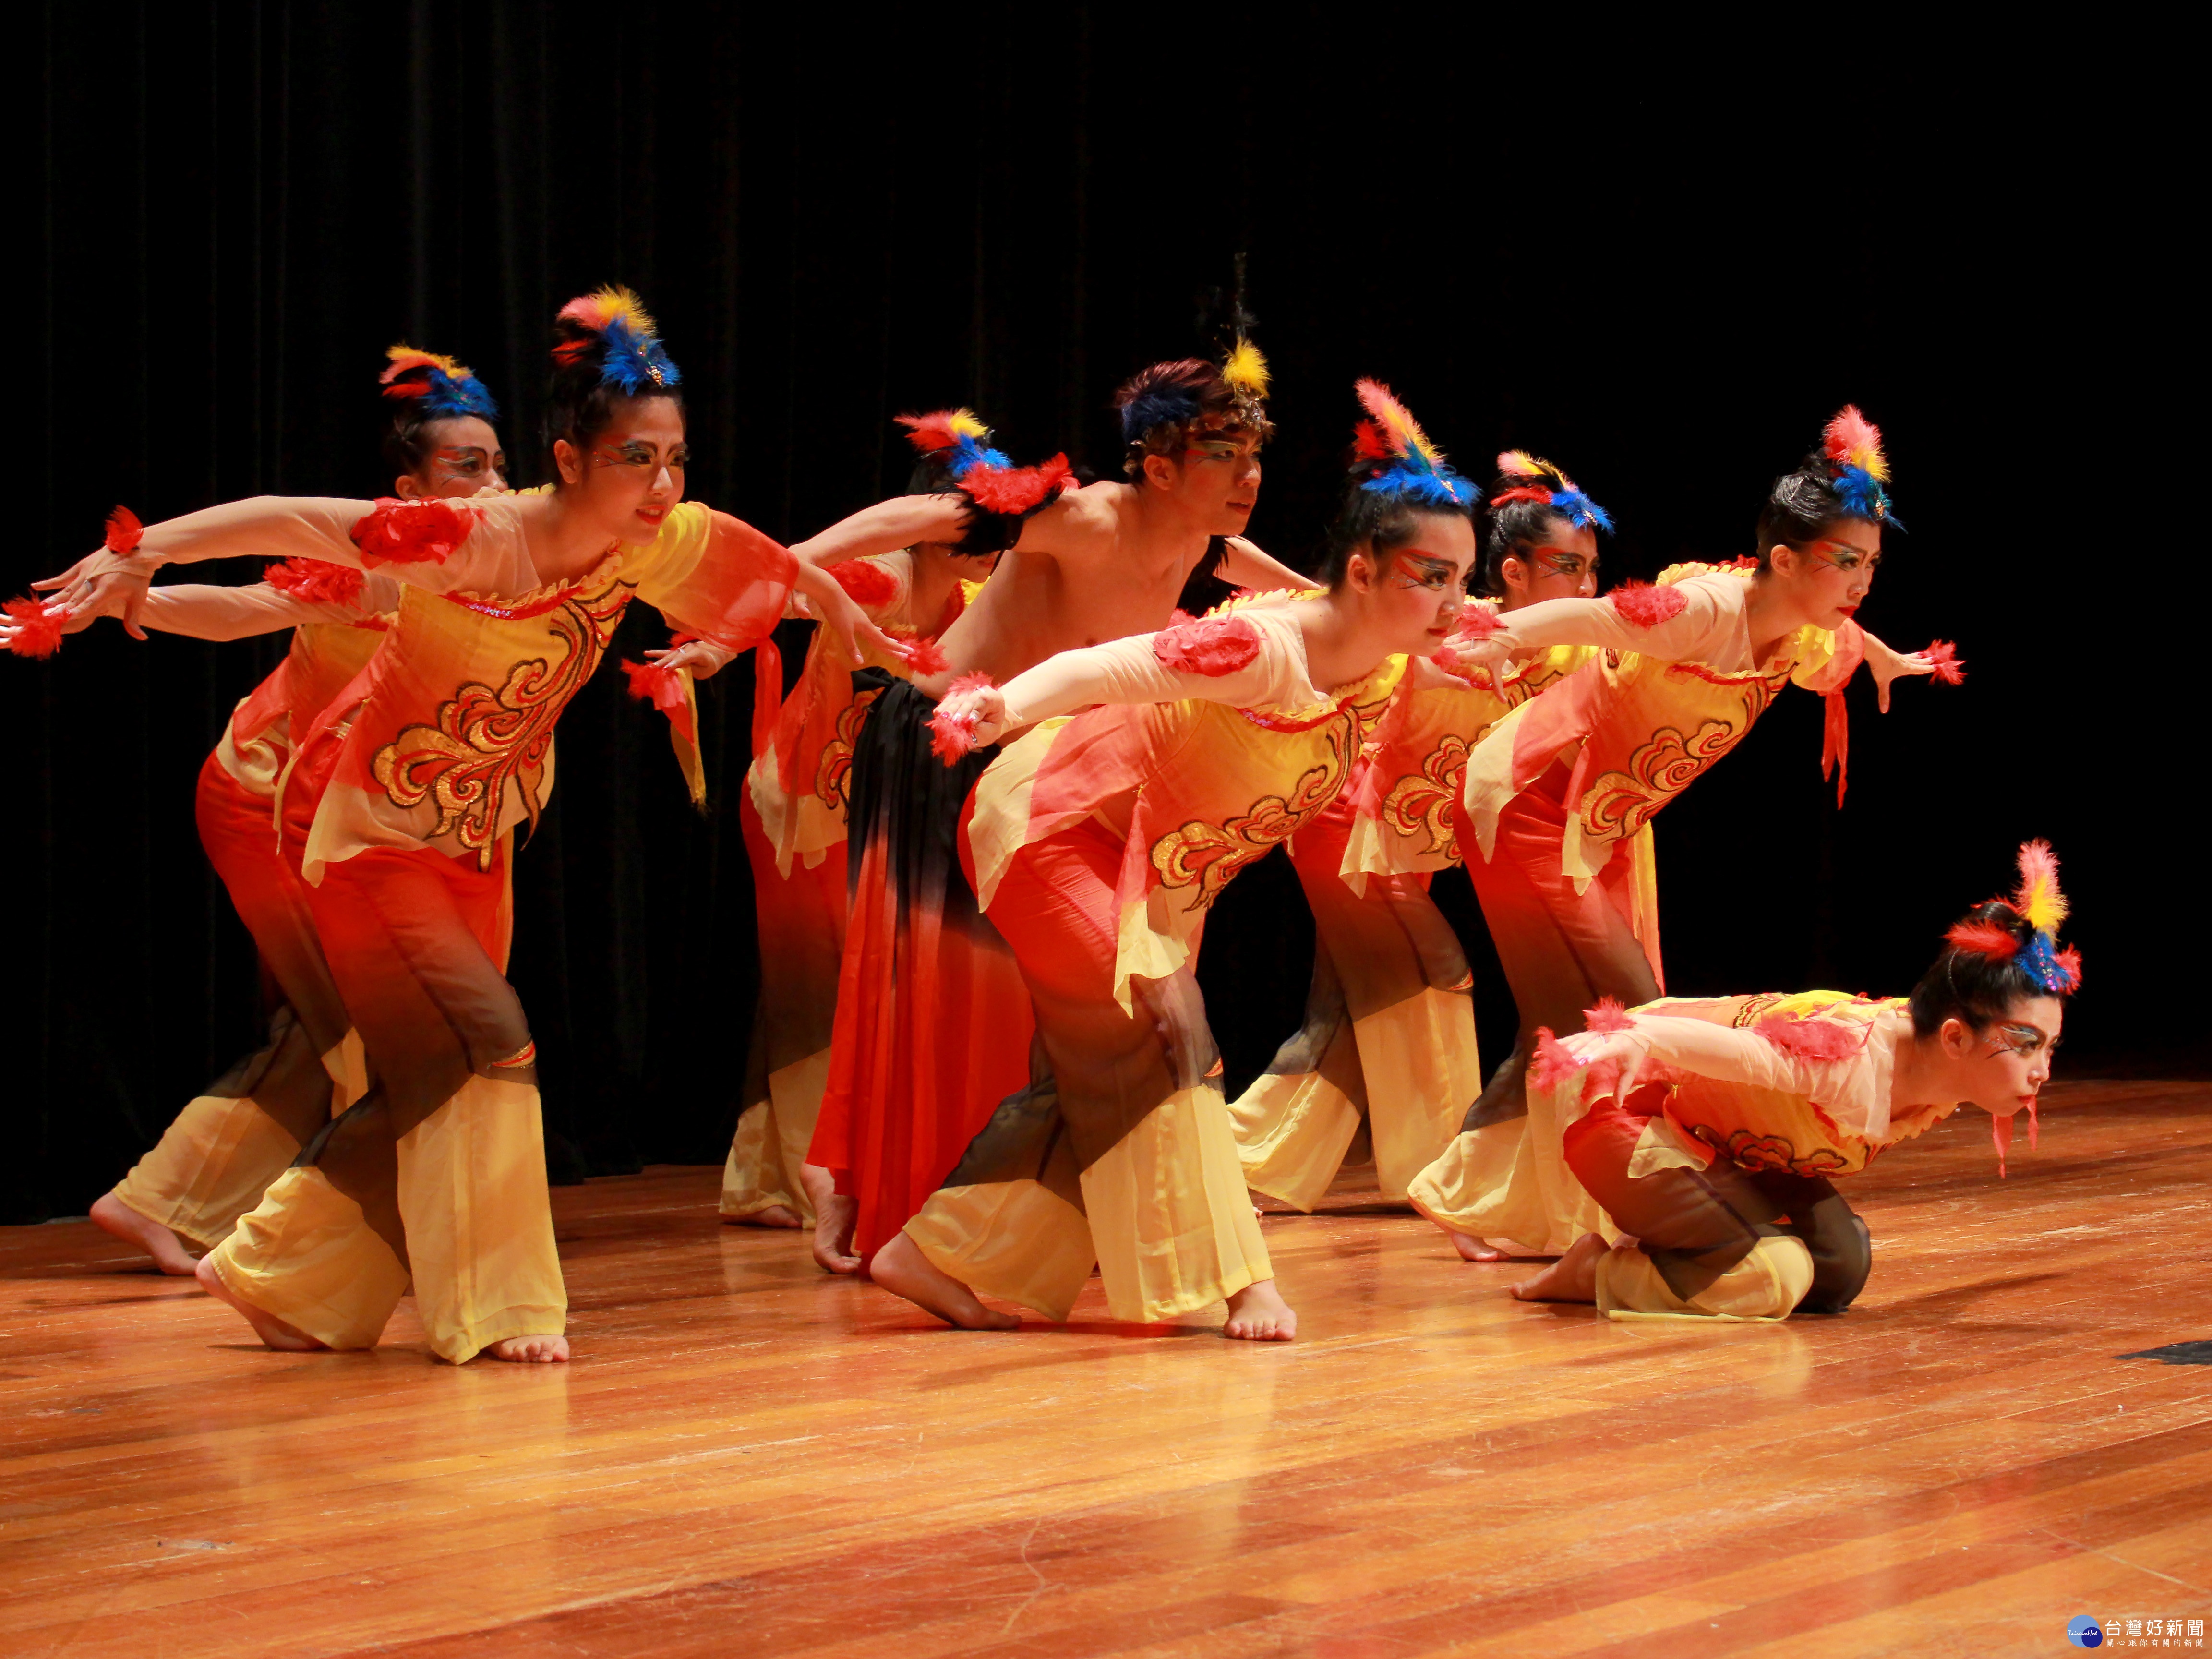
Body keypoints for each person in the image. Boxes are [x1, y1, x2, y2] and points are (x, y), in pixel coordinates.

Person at [32, 287, 878, 1363]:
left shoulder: (650, 540)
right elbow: (289, 521)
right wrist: (139, 557)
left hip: (478, 851)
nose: (663, 485)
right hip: (377, 842)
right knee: (494, 1040)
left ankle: (282, 1280)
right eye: (635, 460)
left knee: (427, 1076)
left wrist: (857, 622)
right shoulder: (467, 542)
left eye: (676, 460)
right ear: (569, 459)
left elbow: (779, 571)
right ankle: (504, 1309)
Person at [866, 379, 1481, 1340]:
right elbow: (1109, 666)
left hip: (1149, 865)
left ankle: (931, 1254)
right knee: (1170, 1023)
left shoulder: (1390, 662)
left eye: (1462, 578)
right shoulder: (1264, 647)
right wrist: (1002, 705)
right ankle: (1245, 1285)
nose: (1452, 602)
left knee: (1088, 1068)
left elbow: (1514, 644)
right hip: (1050, 825)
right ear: (1361, 573)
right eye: (1430, 576)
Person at [790, 340, 1317, 1275]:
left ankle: (1025, 1222)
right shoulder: (1085, 518)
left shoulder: (1202, 538)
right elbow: (932, 513)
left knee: (1064, 1001)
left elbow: (1268, 578)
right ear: (1157, 466)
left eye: (1253, 454)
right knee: (947, 991)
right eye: (1224, 455)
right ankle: (864, 1185)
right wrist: (789, 564)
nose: (1250, 475)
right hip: (939, 746)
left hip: (1041, 770)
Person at [1409, 408, 1961, 1259]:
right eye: (1844, 562)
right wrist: (1493, 639)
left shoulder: (1807, 628)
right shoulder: (1699, 610)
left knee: (1555, 1022)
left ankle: (1473, 1197)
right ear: (1782, 560)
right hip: (1522, 802)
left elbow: (1842, 635)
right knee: (1637, 1013)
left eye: (1870, 563)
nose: (1859, 580)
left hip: (1594, 826)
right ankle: (1635, 1214)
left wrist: (1882, 658)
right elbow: (1582, 622)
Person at [81, 348, 502, 1274]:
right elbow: (242, 609)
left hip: (334, 822)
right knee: (351, 1018)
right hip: (261, 799)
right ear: (407, 488)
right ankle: (279, 1233)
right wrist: (124, 601)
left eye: (496, 462)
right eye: (464, 465)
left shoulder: (487, 567)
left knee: (333, 1020)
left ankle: (176, 1203)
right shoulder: (380, 563)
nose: (491, 481)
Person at [1229, 451, 1648, 1215]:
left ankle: (1237, 1167)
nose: (1585, 586)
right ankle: (1442, 1178)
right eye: (1565, 566)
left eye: (1591, 568)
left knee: (1347, 1025)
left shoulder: (1578, 645)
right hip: (1349, 830)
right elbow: (1322, 611)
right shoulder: (1449, 627)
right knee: (1431, 976)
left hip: (1395, 849)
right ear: (1513, 571)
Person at [1508, 841, 2078, 1320]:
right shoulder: (1849, 1059)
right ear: (1955, 1038)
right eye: (2026, 1044)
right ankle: (1598, 1270)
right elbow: (1747, 1054)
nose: (2042, 1069)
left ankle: (1690, 1245)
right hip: (1631, 1102)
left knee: (1838, 1268)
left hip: (1726, 1133)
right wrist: (1639, 1039)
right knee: (1774, 1276)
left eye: (2050, 1046)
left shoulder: (1933, 1056)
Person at [717, 411, 1003, 1230]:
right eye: (973, 529)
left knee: (812, 984)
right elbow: (786, 591)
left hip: (870, 807)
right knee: (816, 984)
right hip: (803, 804)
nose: (992, 546)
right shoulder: (885, 578)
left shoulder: (977, 589)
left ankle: (758, 1175)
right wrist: (715, 644)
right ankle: (822, 1175)